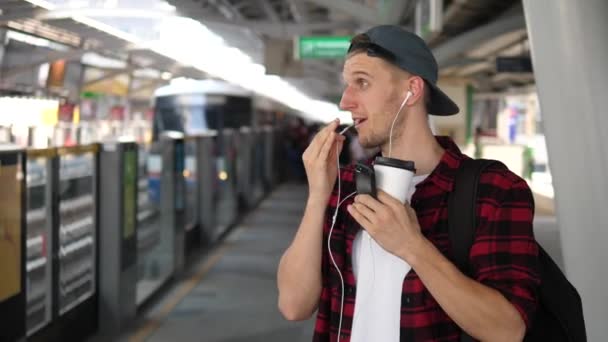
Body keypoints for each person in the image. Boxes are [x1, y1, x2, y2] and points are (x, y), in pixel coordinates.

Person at [276, 25, 540, 342]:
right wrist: (318, 194)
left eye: (362, 83)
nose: (346, 101)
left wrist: (411, 247)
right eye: (347, 86)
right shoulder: (344, 186)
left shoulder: (493, 190)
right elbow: (293, 306)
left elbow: (507, 330)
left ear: (411, 91)